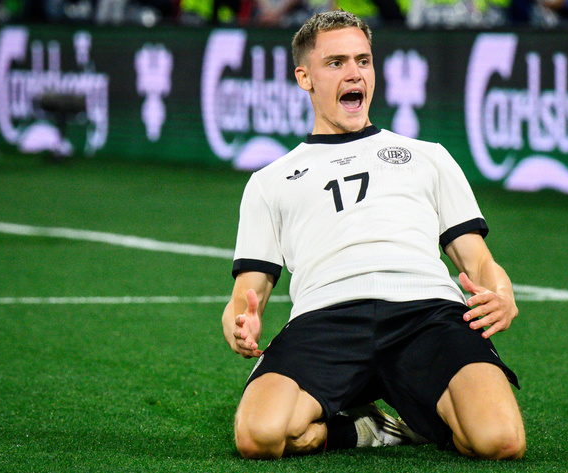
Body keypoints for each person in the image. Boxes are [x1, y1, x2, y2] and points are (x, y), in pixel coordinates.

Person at [222, 10, 525, 461]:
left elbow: (476, 259)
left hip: (427, 313)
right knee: (259, 437)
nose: (354, 73)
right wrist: (239, 322)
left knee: (500, 441)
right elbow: (248, 291)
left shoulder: (429, 156)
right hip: (325, 318)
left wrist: (500, 290)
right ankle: (365, 429)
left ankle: (426, 412)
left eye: (363, 61)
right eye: (336, 63)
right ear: (304, 77)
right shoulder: (270, 181)